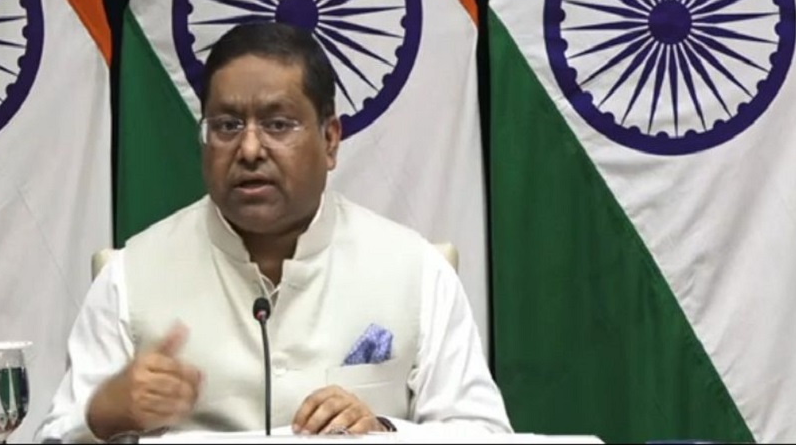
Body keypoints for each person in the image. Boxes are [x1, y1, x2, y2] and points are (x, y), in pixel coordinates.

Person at [35, 22, 512, 442]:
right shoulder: (131, 276)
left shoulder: (414, 270)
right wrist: (101, 418)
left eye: (278, 124)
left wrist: (385, 432)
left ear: (330, 140)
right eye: (226, 126)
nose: (248, 149)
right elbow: (54, 435)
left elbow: (485, 433)